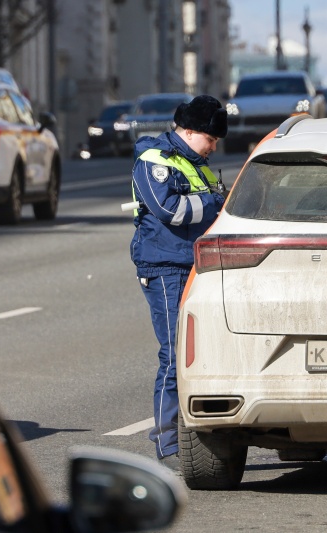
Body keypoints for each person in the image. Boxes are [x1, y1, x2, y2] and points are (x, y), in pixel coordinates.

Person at [129, 95, 227, 468]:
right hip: (166, 266)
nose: (214, 147)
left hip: (194, 264)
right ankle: (168, 444)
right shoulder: (155, 160)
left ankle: (198, 437)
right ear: (188, 131)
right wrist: (215, 203)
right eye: (210, 138)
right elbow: (171, 209)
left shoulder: (194, 163)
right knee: (174, 355)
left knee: (202, 354)